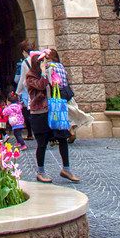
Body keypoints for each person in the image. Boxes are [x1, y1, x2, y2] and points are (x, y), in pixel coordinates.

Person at [26, 52, 79, 184]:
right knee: (42, 143)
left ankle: (66, 169)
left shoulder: (51, 71)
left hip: (54, 111)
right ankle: (40, 172)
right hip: (39, 113)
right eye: (42, 61)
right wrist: (44, 73)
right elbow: (41, 85)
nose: (45, 63)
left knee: (62, 138)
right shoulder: (30, 76)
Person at [15, 40, 34, 140]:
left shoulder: (25, 62)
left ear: (24, 52)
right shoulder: (39, 59)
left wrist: (17, 92)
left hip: (29, 89)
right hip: (39, 88)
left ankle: (30, 133)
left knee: (28, 112)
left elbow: (22, 79)